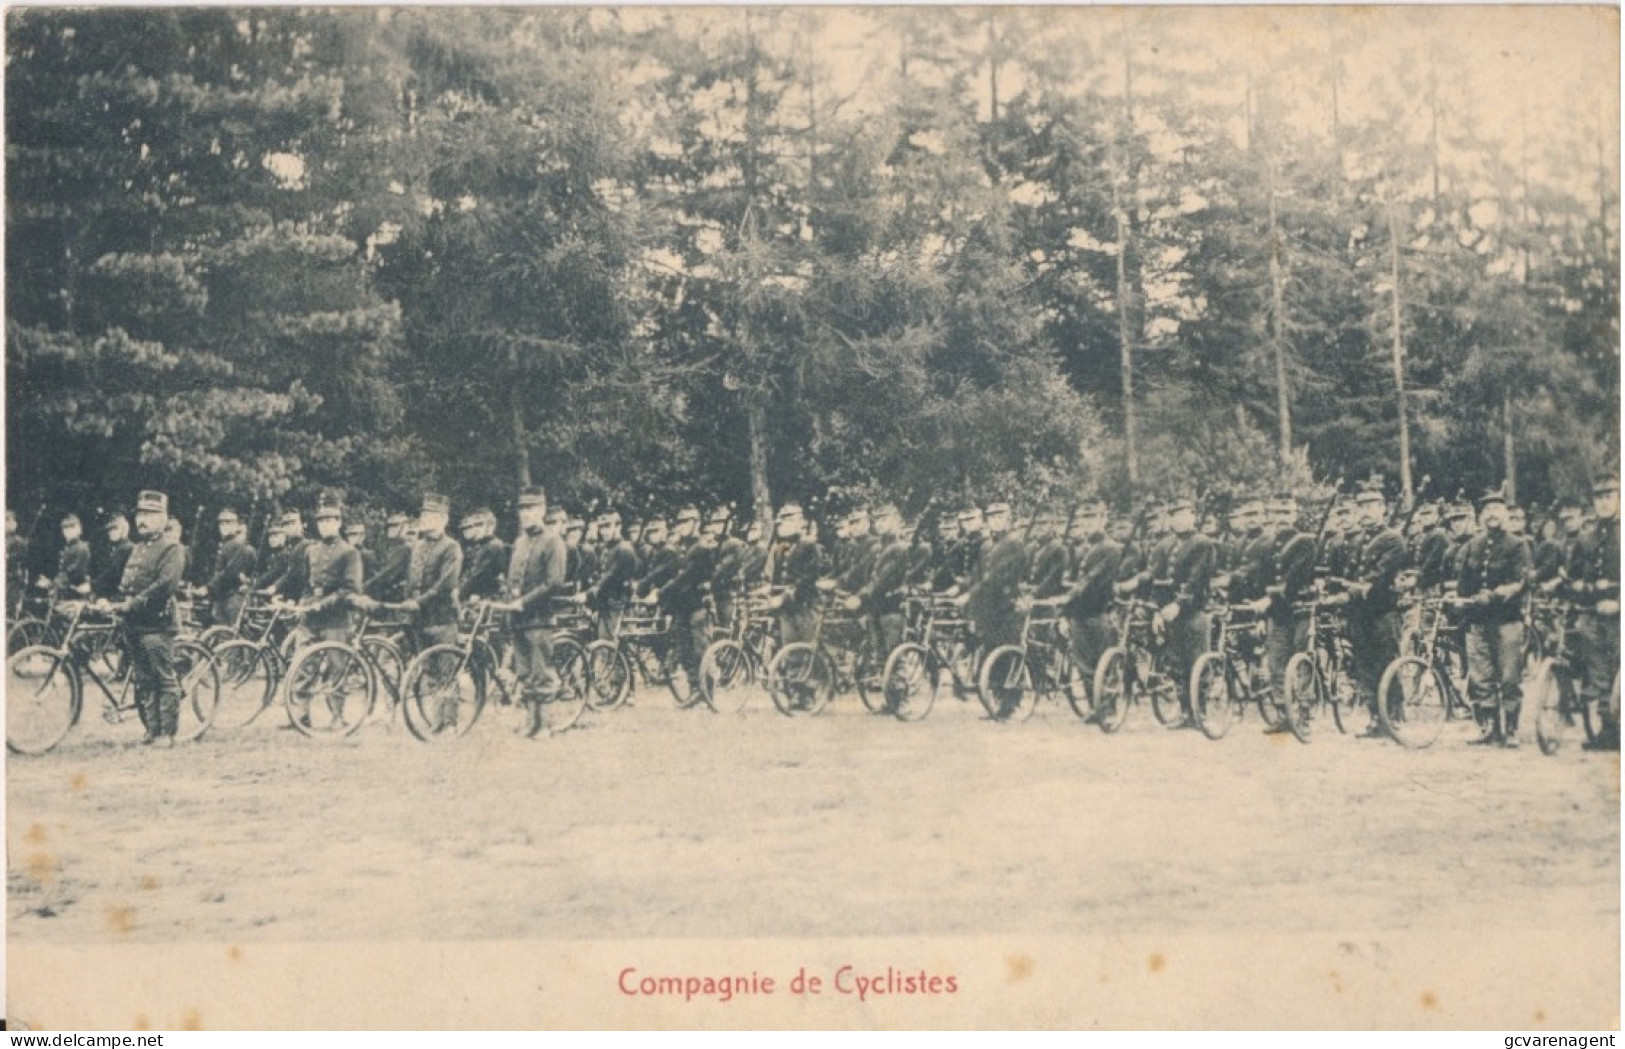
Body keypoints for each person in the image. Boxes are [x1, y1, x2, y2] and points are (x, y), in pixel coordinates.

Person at [100, 491, 185, 746]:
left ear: (163, 518)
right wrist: (112, 602)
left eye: (150, 514)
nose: (143, 520)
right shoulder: (138, 548)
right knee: (144, 679)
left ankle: (166, 734)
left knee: (163, 677)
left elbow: (164, 586)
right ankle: (151, 729)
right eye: (140, 514)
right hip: (134, 624)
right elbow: (127, 584)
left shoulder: (171, 548)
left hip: (156, 623)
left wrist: (131, 605)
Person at [1454, 489, 1532, 747]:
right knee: (1481, 677)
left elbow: (1520, 582)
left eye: (1497, 510)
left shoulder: (1518, 545)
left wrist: (1496, 594)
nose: (1491, 515)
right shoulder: (1472, 546)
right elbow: (1464, 582)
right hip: (1477, 621)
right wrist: (1461, 599)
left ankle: (1511, 728)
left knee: (1509, 676)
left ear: (1506, 515)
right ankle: (1489, 728)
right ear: (1480, 517)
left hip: (1507, 620)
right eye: (1486, 511)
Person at [1342, 484, 1409, 737]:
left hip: (1383, 612)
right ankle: (1374, 717)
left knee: (1386, 662)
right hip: (1360, 614)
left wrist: (1356, 588)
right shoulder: (1358, 540)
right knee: (1364, 666)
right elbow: (1349, 574)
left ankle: (1392, 716)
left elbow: (1380, 575)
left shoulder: (1393, 539)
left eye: (1371, 506)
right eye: (1361, 507)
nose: (1365, 512)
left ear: (1383, 509)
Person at [504, 486, 568, 702]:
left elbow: (554, 582)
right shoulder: (520, 542)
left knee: (541, 676)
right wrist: (509, 604)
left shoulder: (552, 540)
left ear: (542, 510)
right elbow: (513, 579)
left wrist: (524, 601)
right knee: (525, 674)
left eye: (530, 509)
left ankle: (544, 726)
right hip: (519, 619)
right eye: (522, 510)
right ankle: (532, 724)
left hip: (540, 618)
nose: (525, 514)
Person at [1569, 476, 1620, 749]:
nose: (1604, 502)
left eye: (1609, 496)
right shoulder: (1586, 537)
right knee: (1599, 675)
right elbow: (1572, 574)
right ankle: (1608, 731)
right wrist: (1579, 587)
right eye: (1599, 498)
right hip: (1591, 615)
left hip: (1619, 616)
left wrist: (1619, 603)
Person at [1157, 497, 1217, 724]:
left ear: (1192, 517)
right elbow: (1159, 580)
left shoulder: (1203, 543)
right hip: (1170, 614)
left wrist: (1178, 604)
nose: (1179, 520)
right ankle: (1184, 711)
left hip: (1193, 611)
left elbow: (1196, 580)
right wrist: (1158, 610)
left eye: (1184, 514)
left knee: (1197, 661)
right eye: (1174, 515)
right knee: (1176, 663)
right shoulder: (1166, 545)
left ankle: (1199, 711)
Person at [1062, 500, 1123, 702]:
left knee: (1104, 665)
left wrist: (1067, 596)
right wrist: (1065, 612)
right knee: (1084, 665)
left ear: (1103, 519)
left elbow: (1092, 579)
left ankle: (1108, 709)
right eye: (1083, 519)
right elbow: (1071, 581)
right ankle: (1094, 707)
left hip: (1100, 613)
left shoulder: (1112, 548)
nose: (1087, 524)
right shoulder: (1081, 550)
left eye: (1092, 518)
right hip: (1079, 614)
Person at [844, 502, 911, 663]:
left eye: (884, 519)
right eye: (877, 520)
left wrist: (860, 597)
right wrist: (835, 583)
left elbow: (881, 580)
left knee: (893, 654)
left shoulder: (899, 548)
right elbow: (858, 573)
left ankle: (899, 681)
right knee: (878, 654)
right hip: (874, 606)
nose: (879, 524)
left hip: (892, 607)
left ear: (895, 521)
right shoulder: (876, 548)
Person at [960, 501, 1029, 655]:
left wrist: (970, 594)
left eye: (1000, 517)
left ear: (1008, 519)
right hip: (988, 606)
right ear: (987, 521)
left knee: (1007, 651)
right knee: (988, 650)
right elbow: (976, 574)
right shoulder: (986, 546)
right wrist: (960, 588)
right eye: (992, 517)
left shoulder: (1014, 543)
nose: (996, 521)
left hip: (1007, 606)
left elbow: (997, 576)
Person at [400, 493, 463, 652]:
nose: (424, 518)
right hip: (419, 620)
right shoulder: (417, 546)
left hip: (441, 620)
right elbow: (410, 579)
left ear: (444, 520)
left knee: (444, 673)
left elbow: (445, 585)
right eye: (423, 514)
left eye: (431, 515)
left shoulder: (451, 547)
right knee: (423, 671)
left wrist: (418, 602)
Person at [766, 503, 825, 645]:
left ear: (799, 522)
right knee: (788, 648)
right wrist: (772, 594)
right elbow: (776, 578)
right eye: (783, 521)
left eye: (790, 520)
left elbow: (808, 577)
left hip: (805, 606)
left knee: (805, 649)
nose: (783, 525)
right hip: (786, 608)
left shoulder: (809, 546)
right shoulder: (779, 549)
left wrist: (786, 595)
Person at [585, 510, 639, 639]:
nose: (604, 531)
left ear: (618, 527)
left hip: (619, 608)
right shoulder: (609, 548)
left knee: (610, 648)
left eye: (608, 526)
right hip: (607, 606)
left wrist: (589, 593)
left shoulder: (624, 549)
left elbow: (610, 577)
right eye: (602, 527)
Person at [205, 508, 257, 629]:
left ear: (236, 525)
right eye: (221, 523)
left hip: (233, 597)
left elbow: (231, 572)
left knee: (231, 633)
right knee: (221, 632)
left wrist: (209, 587)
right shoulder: (226, 544)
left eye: (229, 522)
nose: (224, 526)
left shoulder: (237, 544)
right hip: (223, 595)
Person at [458, 508, 508, 604]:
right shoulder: (480, 545)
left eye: (480, 525)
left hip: (487, 597)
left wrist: (459, 592)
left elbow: (478, 575)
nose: (476, 529)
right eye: (475, 525)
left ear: (491, 526)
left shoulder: (494, 546)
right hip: (474, 595)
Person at [366, 512, 416, 603]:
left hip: (396, 596)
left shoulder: (404, 548)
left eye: (395, 526)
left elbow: (388, 572)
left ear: (404, 528)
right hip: (384, 593)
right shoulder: (388, 547)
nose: (391, 529)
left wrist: (363, 587)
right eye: (389, 526)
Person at [42, 512, 90, 602]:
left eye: (72, 527)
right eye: (65, 528)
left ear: (79, 529)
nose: (68, 531)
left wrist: (51, 584)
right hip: (65, 590)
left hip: (75, 593)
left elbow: (72, 573)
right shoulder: (69, 547)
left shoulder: (81, 548)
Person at [91, 513, 135, 601]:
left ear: (124, 529)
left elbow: (112, 574)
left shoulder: (125, 548)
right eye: (110, 530)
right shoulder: (118, 547)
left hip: (117, 594)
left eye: (115, 528)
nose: (111, 533)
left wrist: (92, 586)